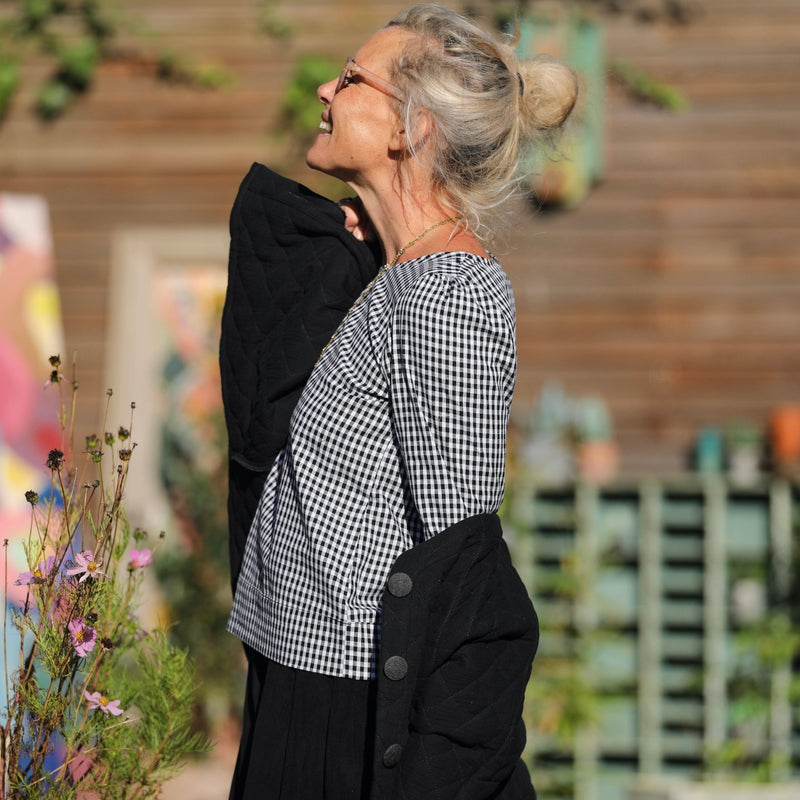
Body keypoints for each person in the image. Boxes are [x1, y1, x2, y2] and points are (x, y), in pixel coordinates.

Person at [222, 4, 578, 798]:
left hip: (353, 715)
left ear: (411, 128)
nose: (324, 87)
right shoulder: (398, 277)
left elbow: (461, 558)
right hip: (300, 688)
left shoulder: (448, 292)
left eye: (350, 78)